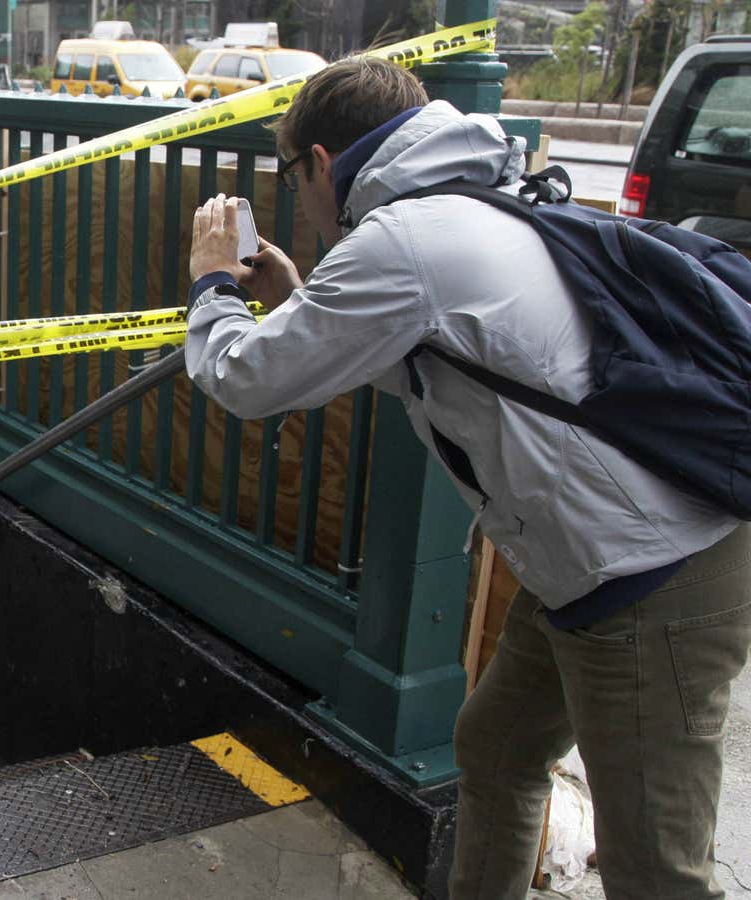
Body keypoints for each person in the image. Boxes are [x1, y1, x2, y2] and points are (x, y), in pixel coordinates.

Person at [183, 55, 750, 900]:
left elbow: (243, 379)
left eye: (294, 173)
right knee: (497, 750)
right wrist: (299, 296)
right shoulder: (472, 197)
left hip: (650, 572)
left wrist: (212, 286)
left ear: (323, 164)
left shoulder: (404, 240)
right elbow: (441, 351)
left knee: (657, 871)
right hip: (593, 559)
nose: (299, 196)